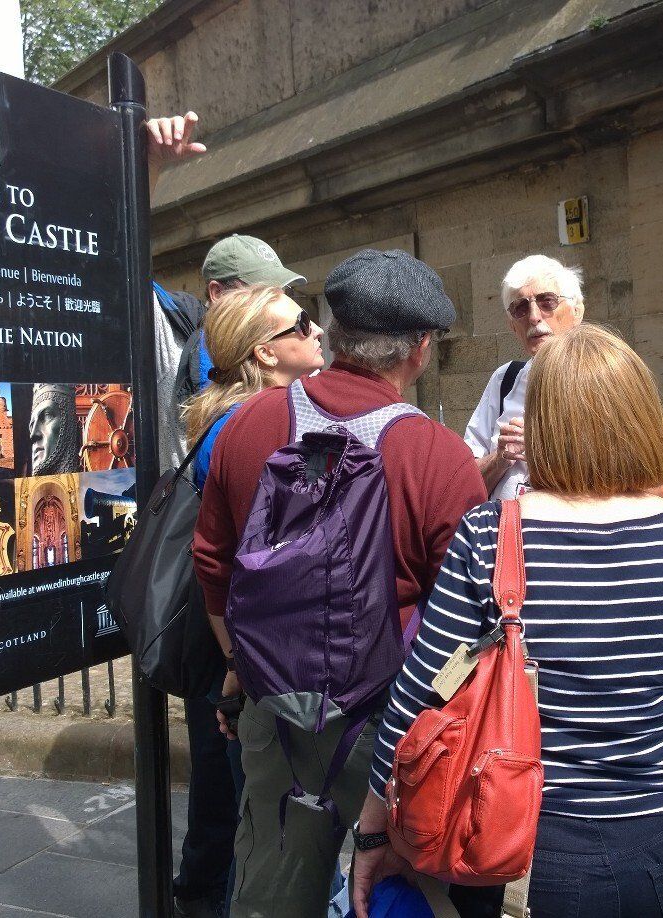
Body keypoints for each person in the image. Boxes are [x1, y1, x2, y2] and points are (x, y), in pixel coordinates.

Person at [353, 324, 663, 918]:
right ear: (643, 417)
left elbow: (422, 692)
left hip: (519, 843)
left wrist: (373, 829)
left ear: (541, 423)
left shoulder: (490, 536)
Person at [192, 250, 493, 918]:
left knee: (273, 890)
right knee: (391, 893)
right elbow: (470, 619)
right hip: (393, 727)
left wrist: (240, 670)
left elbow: (213, 563)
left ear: (329, 331)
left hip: (276, 705)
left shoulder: (246, 427)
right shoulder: (439, 457)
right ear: (419, 349)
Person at [164, 284, 327, 918]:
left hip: (248, 658)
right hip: (259, 661)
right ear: (264, 351)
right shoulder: (250, 432)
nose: (317, 332)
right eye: (300, 324)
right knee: (265, 826)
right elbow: (232, 564)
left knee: (243, 812)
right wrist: (243, 667)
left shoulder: (244, 420)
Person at [145, 111, 308, 470]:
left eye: (282, 292)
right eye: (261, 291)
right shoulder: (174, 331)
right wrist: (149, 163)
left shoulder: (290, 350)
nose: (279, 303)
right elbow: (119, 264)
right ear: (217, 293)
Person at [464, 255, 586, 498]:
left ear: (577, 311)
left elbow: (655, 488)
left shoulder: (606, 377)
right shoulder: (505, 379)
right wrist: (501, 458)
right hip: (505, 532)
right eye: (520, 307)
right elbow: (465, 482)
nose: (533, 316)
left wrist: (552, 450)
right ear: (512, 326)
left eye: (547, 301)